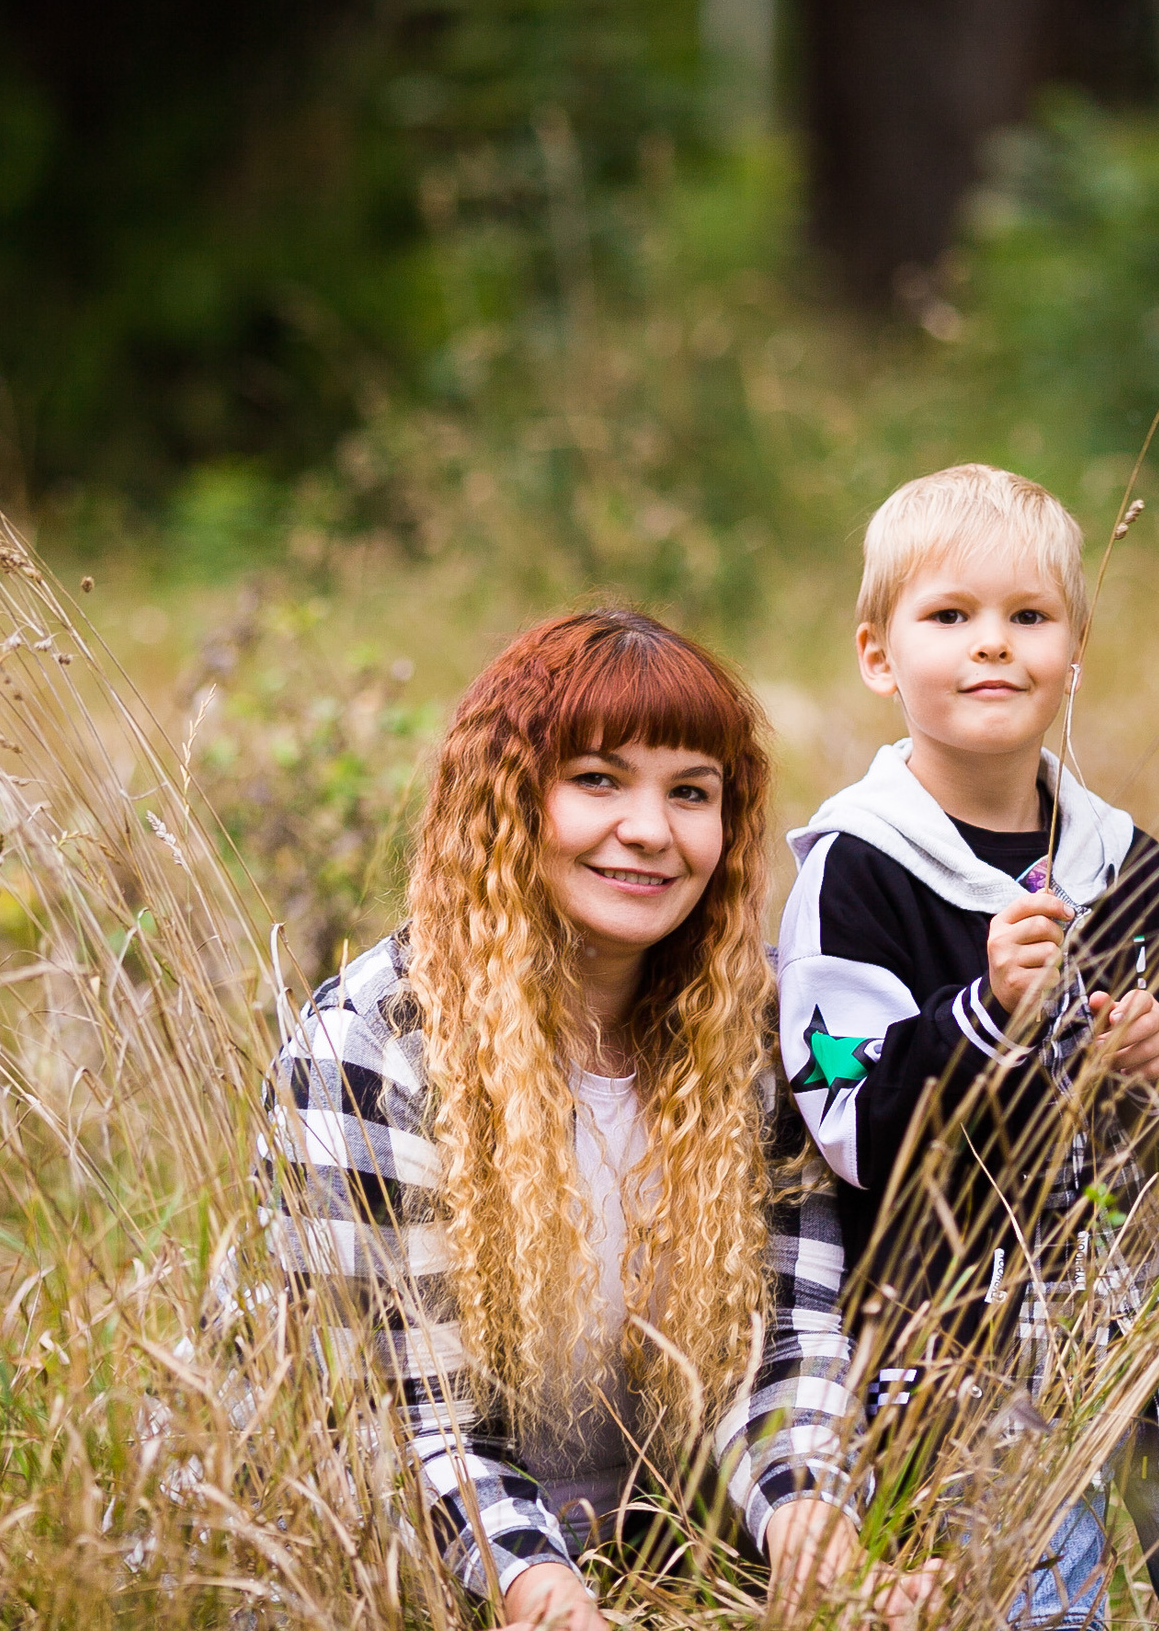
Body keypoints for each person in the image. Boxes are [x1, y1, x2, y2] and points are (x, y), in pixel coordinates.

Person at [774, 465, 1159, 1630]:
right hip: (964, 1351)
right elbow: (838, 1107)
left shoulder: (1131, 867)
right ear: (880, 656)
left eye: (1027, 617)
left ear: (1072, 652)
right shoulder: (858, 872)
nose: (993, 646)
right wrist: (977, 1014)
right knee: (1036, 1610)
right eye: (950, 617)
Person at [261, 608, 873, 1631]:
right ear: (508, 800)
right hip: (408, 1572)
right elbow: (410, 1419)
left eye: (691, 793)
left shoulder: (762, 1032)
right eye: (598, 780)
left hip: (672, 1555)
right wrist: (547, 1593)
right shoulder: (371, 1046)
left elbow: (786, 1345)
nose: (650, 830)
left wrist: (813, 1530)